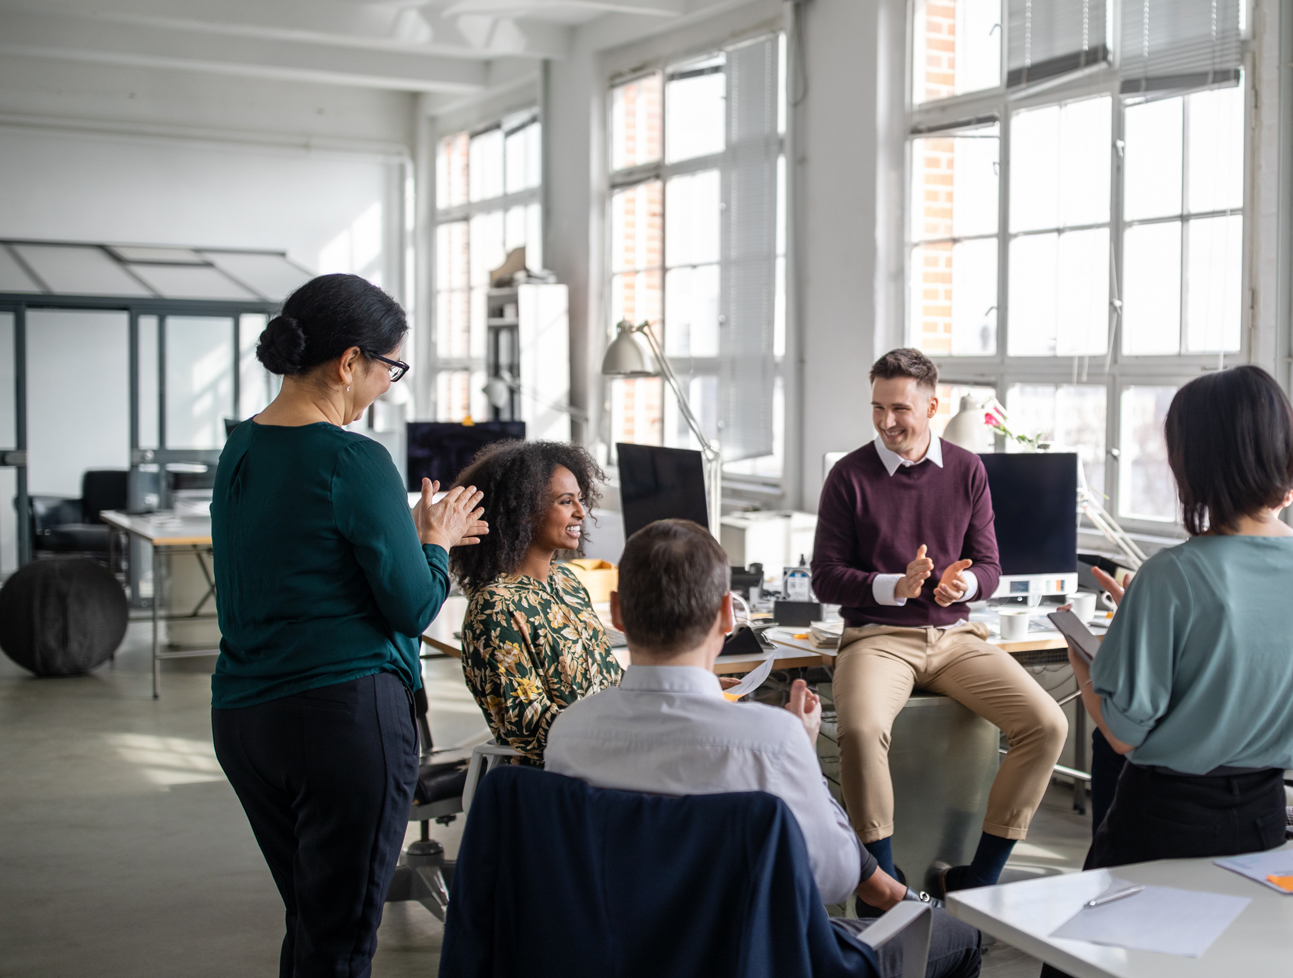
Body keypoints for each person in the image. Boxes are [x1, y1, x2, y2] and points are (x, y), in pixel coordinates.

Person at [548, 520, 981, 978]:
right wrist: (803, 755)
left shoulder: (569, 732)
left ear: (616, 612)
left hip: (619, 956)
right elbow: (833, 878)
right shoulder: (771, 740)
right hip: (755, 958)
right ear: (726, 616)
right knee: (962, 938)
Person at [210, 274, 487, 977]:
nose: (389, 384)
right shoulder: (352, 457)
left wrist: (408, 535)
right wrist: (437, 540)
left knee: (310, 920)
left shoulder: (240, 448)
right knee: (340, 942)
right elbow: (412, 606)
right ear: (347, 362)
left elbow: (300, 562)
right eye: (390, 367)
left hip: (246, 717)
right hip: (339, 722)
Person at [811, 348, 1067, 895]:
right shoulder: (848, 476)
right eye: (877, 408)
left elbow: (991, 567)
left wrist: (963, 585)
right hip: (877, 639)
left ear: (933, 404)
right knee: (858, 731)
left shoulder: (968, 470)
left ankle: (979, 879)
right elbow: (825, 578)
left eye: (899, 408)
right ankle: (883, 882)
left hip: (955, 638)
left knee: (1047, 725)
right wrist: (893, 587)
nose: (886, 422)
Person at [1069, 365, 1293, 866]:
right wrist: (1148, 624)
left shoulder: (1171, 575)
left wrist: (1086, 662)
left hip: (1166, 821)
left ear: (1195, 462)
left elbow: (1124, 734)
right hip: (1263, 816)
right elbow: (1257, 659)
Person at [451, 440, 623, 766]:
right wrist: (630, 730)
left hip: (609, 754)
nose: (580, 512)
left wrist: (687, 691)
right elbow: (532, 730)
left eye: (580, 499)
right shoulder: (496, 609)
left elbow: (611, 680)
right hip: (559, 776)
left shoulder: (568, 582)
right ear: (522, 510)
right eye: (565, 501)